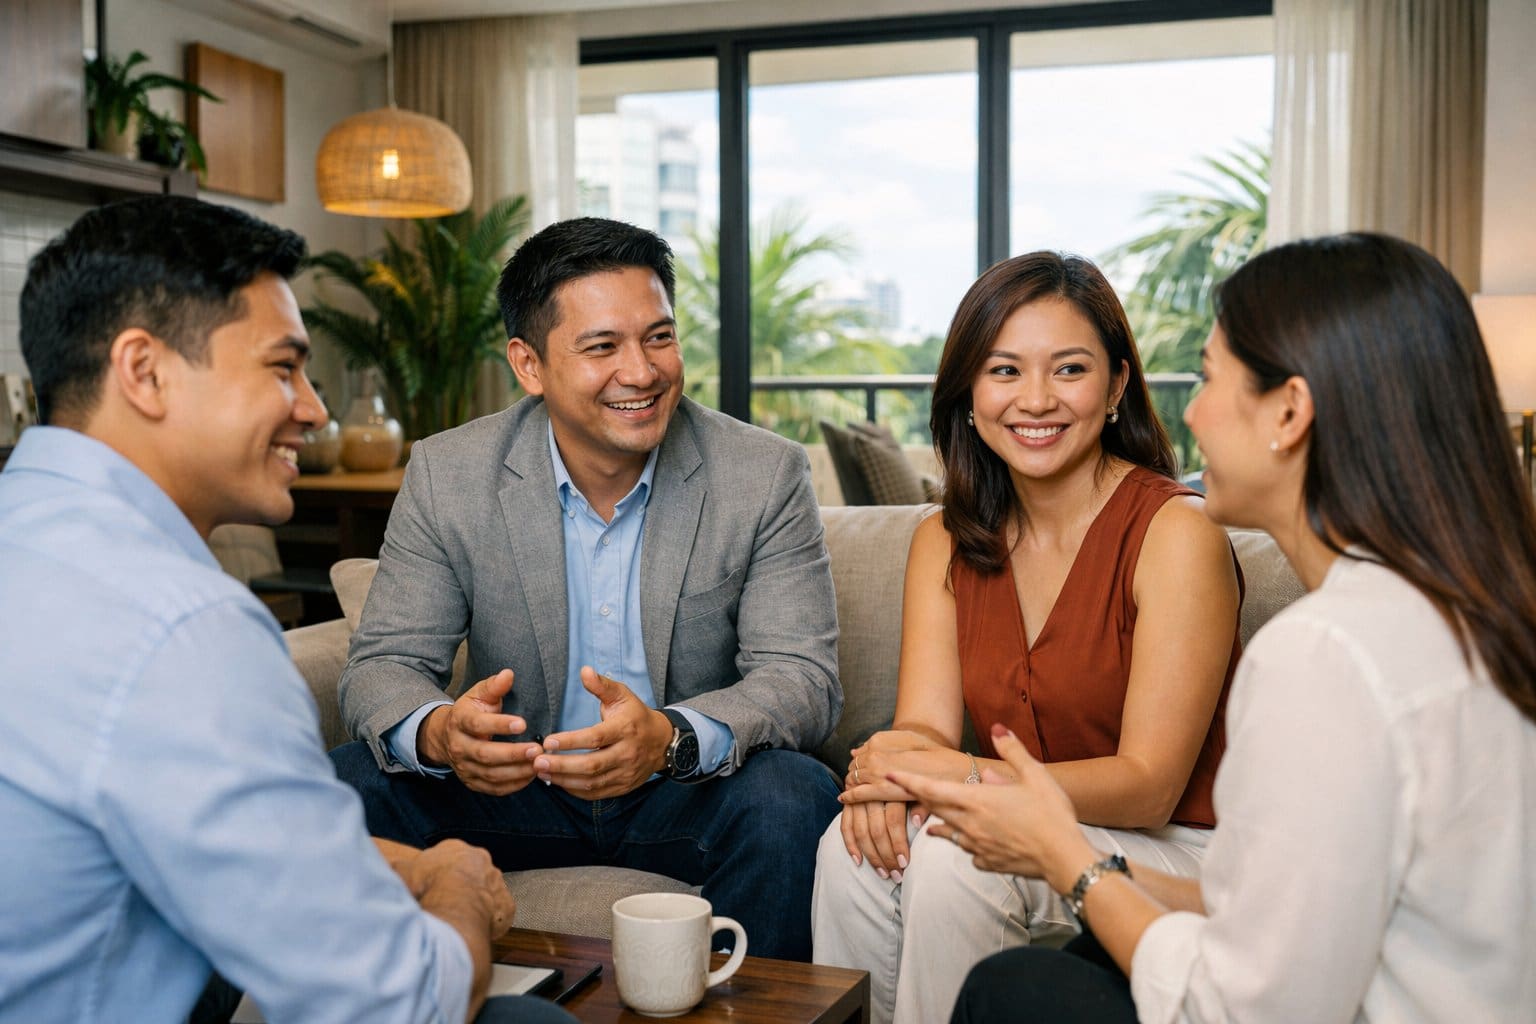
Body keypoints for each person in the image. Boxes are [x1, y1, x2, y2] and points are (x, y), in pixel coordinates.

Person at [902, 233, 1536, 1023]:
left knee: (1019, 990)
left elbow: (1244, 1002)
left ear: (1291, 412)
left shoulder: (1325, 654)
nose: (1191, 412)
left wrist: (1067, 857)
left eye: (1208, 378)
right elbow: (1259, 911)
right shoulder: (1453, 614)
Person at [0, 196, 576, 1023]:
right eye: (283, 367)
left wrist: (395, 866)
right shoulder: (183, 628)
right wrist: (451, 881)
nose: (311, 407)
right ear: (144, 370)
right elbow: (404, 1000)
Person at [328, 216, 843, 962]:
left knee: (793, 798)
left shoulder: (762, 474)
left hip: (682, 784)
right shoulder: (451, 474)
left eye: (659, 337)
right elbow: (382, 665)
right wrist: (441, 734)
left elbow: (803, 679)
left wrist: (669, 738)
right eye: (602, 346)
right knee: (344, 784)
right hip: (513, 783)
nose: (641, 372)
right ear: (529, 365)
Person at [811, 251, 1241, 1023]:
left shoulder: (1178, 533)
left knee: (951, 859)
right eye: (1005, 371)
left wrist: (958, 778)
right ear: (968, 393)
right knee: (849, 849)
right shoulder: (945, 537)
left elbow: (1150, 783)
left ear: (1115, 386)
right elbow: (924, 726)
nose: (1035, 400)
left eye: (1068, 369)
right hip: (1020, 812)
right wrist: (893, 772)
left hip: (1178, 843)